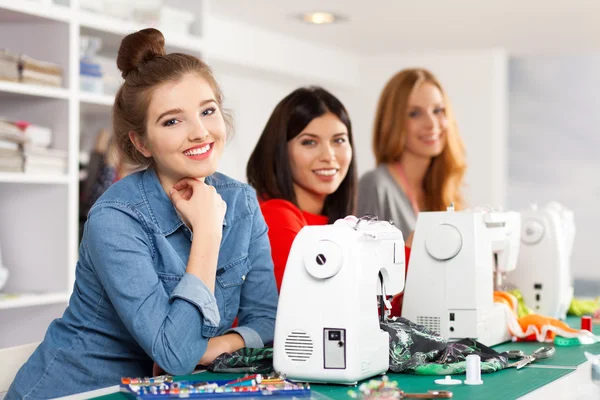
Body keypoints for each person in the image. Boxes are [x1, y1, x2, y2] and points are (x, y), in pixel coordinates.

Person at [7, 28, 278, 399]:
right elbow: (176, 353)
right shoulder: (115, 219)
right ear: (142, 142)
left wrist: (216, 346)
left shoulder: (242, 202)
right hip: (78, 391)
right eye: (172, 120)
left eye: (208, 110)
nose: (200, 132)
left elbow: (269, 321)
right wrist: (208, 232)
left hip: (162, 390)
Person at [246, 87, 357, 291]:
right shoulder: (276, 217)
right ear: (280, 150)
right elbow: (321, 304)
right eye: (309, 142)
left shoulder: (336, 225)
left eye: (339, 140)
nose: (329, 155)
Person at [357, 68, 466, 242]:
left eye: (437, 110)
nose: (431, 123)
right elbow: (362, 264)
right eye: (415, 114)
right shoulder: (375, 185)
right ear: (392, 123)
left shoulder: (440, 188)